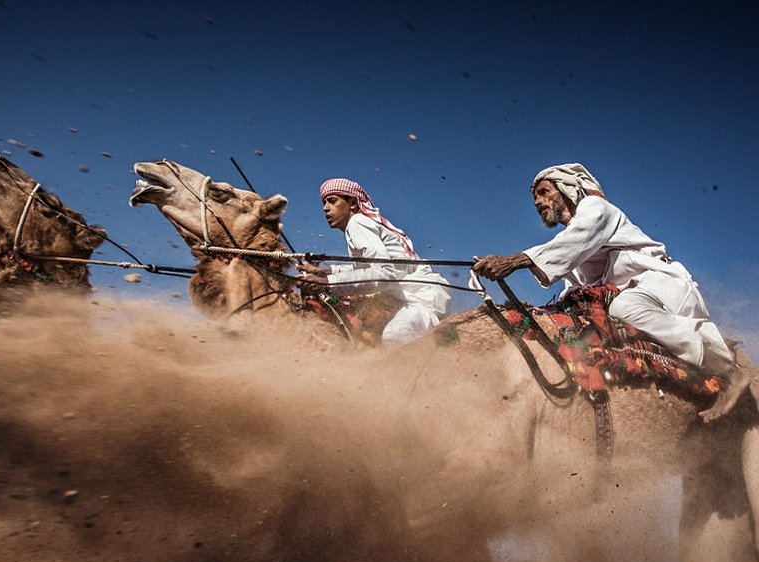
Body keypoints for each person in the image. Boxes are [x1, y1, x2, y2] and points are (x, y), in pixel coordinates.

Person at [472, 163, 749, 417]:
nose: (537, 201)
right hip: (630, 292)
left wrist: (515, 261)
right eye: (535, 197)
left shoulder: (596, 209)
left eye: (544, 192)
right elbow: (575, 283)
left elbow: (574, 241)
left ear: (568, 188)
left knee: (624, 308)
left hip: (659, 285)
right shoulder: (573, 242)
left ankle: (723, 364)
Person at [297, 178, 451, 344]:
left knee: (395, 336)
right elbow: (370, 268)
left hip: (423, 299)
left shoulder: (357, 223)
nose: (325, 208)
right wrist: (328, 271)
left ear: (353, 204)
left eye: (332, 201)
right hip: (409, 297)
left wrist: (326, 282)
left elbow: (384, 273)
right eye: (324, 202)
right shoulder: (361, 225)